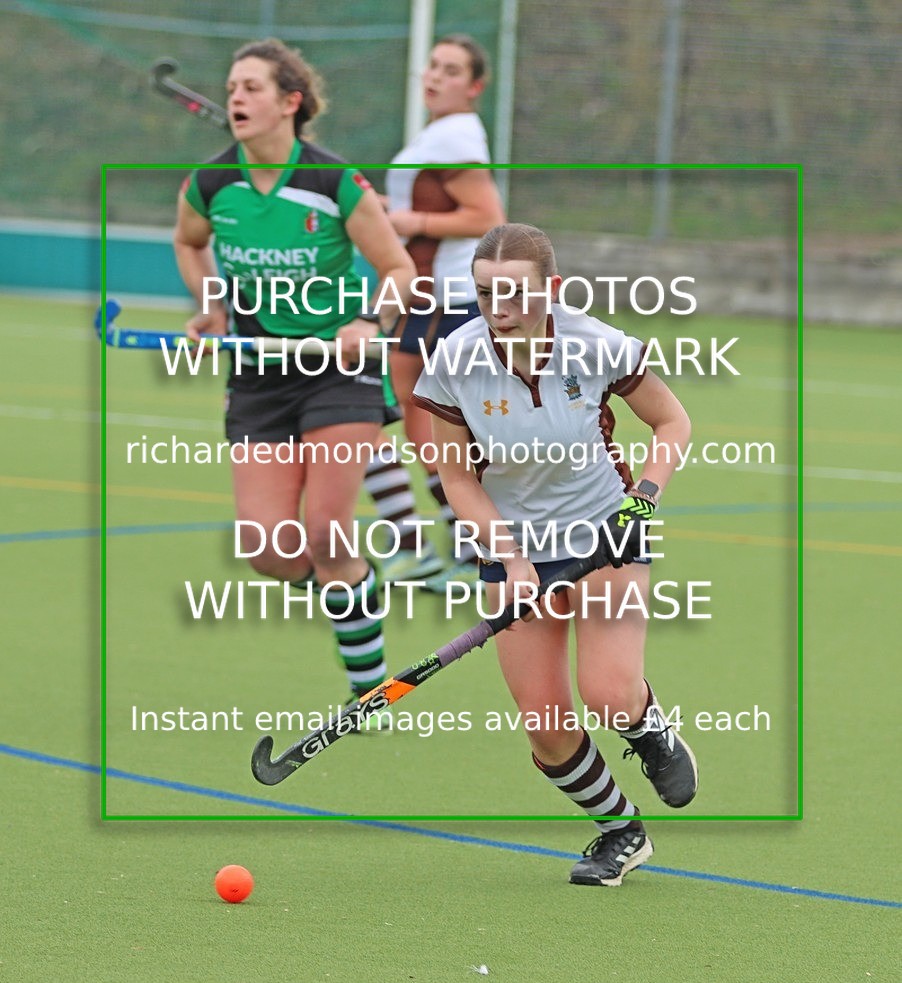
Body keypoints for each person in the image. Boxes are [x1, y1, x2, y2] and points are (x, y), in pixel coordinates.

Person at [412, 223, 699, 885]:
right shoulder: (454, 361)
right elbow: (456, 478)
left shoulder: (595, 344)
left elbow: (672, 422)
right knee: (545, 727)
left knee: (607, 694)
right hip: (513, 541)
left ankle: (649, 731)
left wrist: (644, 500)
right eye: (486, 295)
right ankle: (620, 831)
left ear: (553, 290)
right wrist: (511, 562)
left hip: (606, 532)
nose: (500, 310)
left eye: (515, 294)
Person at [173, 38, 416, 715]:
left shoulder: (335, 182)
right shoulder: (211, 184)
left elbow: (399, 271)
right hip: (257, 375)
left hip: (337, 374)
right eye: (230, 89)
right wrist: (211, 305)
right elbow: (188, 243)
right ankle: (357, 593)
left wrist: (369, 321)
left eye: (251, 88)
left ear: (291, 102)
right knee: (268, 550)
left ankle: (370, 689)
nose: (235, 99)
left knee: (327, 530)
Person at [364, 34, 506, 590]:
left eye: (450, 70)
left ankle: (464, 547)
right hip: (427, 296)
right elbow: (420, 208)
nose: (435, 76)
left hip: (443, 296)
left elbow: (485, 215)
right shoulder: (440, 134)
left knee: (413, 417)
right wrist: (380, 210)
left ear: (473, 87)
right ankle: (456, 546)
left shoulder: (457, 136)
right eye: (433, 66)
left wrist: (410, 225)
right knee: (418, 417)